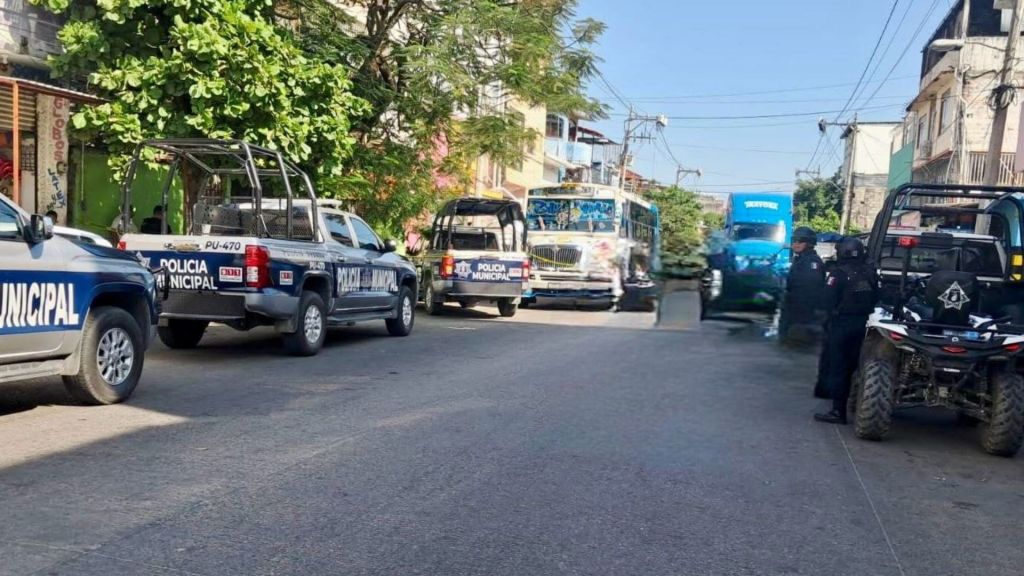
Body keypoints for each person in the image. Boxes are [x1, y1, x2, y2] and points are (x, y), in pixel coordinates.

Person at [815, 236, 879, 425]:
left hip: (841, 324)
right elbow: (876, 297)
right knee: (856, 365)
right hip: (864, 324)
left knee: (838, 367)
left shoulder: (838, 274)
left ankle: (838, 410)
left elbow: (826, 301)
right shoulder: (870, 273)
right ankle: (856, 402)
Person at [780, 226, 825, 342]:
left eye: (800, 241)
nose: (796, 244)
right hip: (794, 313)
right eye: (794, 240)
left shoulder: (812, 262)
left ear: (809, 243)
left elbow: (809, 290)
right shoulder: (800, 260)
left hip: (802, 317)